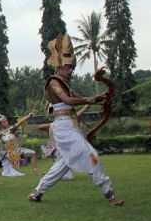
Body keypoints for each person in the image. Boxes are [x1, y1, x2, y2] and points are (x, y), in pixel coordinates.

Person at [28, 34, 124, 206]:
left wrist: (99, 97)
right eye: (68, 67)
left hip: (69, 126)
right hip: (63, 127)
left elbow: (78, 97)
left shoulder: (65, 83)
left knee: (62, 165)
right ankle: (110, 195)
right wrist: (91, 100)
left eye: (72, 67)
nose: (71, 70)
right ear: (59, 66)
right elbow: (69, 100)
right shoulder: (53, 82)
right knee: (92, 156)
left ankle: (37, 193)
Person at [38, 104, 90, 181]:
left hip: (64, 149)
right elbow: (40, 127)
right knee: (63, 169)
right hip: (57, 149)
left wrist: (85, 107)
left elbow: (77, 115)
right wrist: (53, 124)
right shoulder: (54, 124)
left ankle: (54, 174)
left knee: (64, 165)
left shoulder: (67, 121)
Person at [0, 112, 40, 176]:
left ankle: (35, 170)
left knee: (33, 153)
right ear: (0, 124)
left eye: (6, 121)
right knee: (14, 154)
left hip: (17, 149)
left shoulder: (11, 129)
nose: (6, 122)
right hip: (7, 152)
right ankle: (9, 170)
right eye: (4, 122)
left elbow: (20, 122)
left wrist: (29, 115)